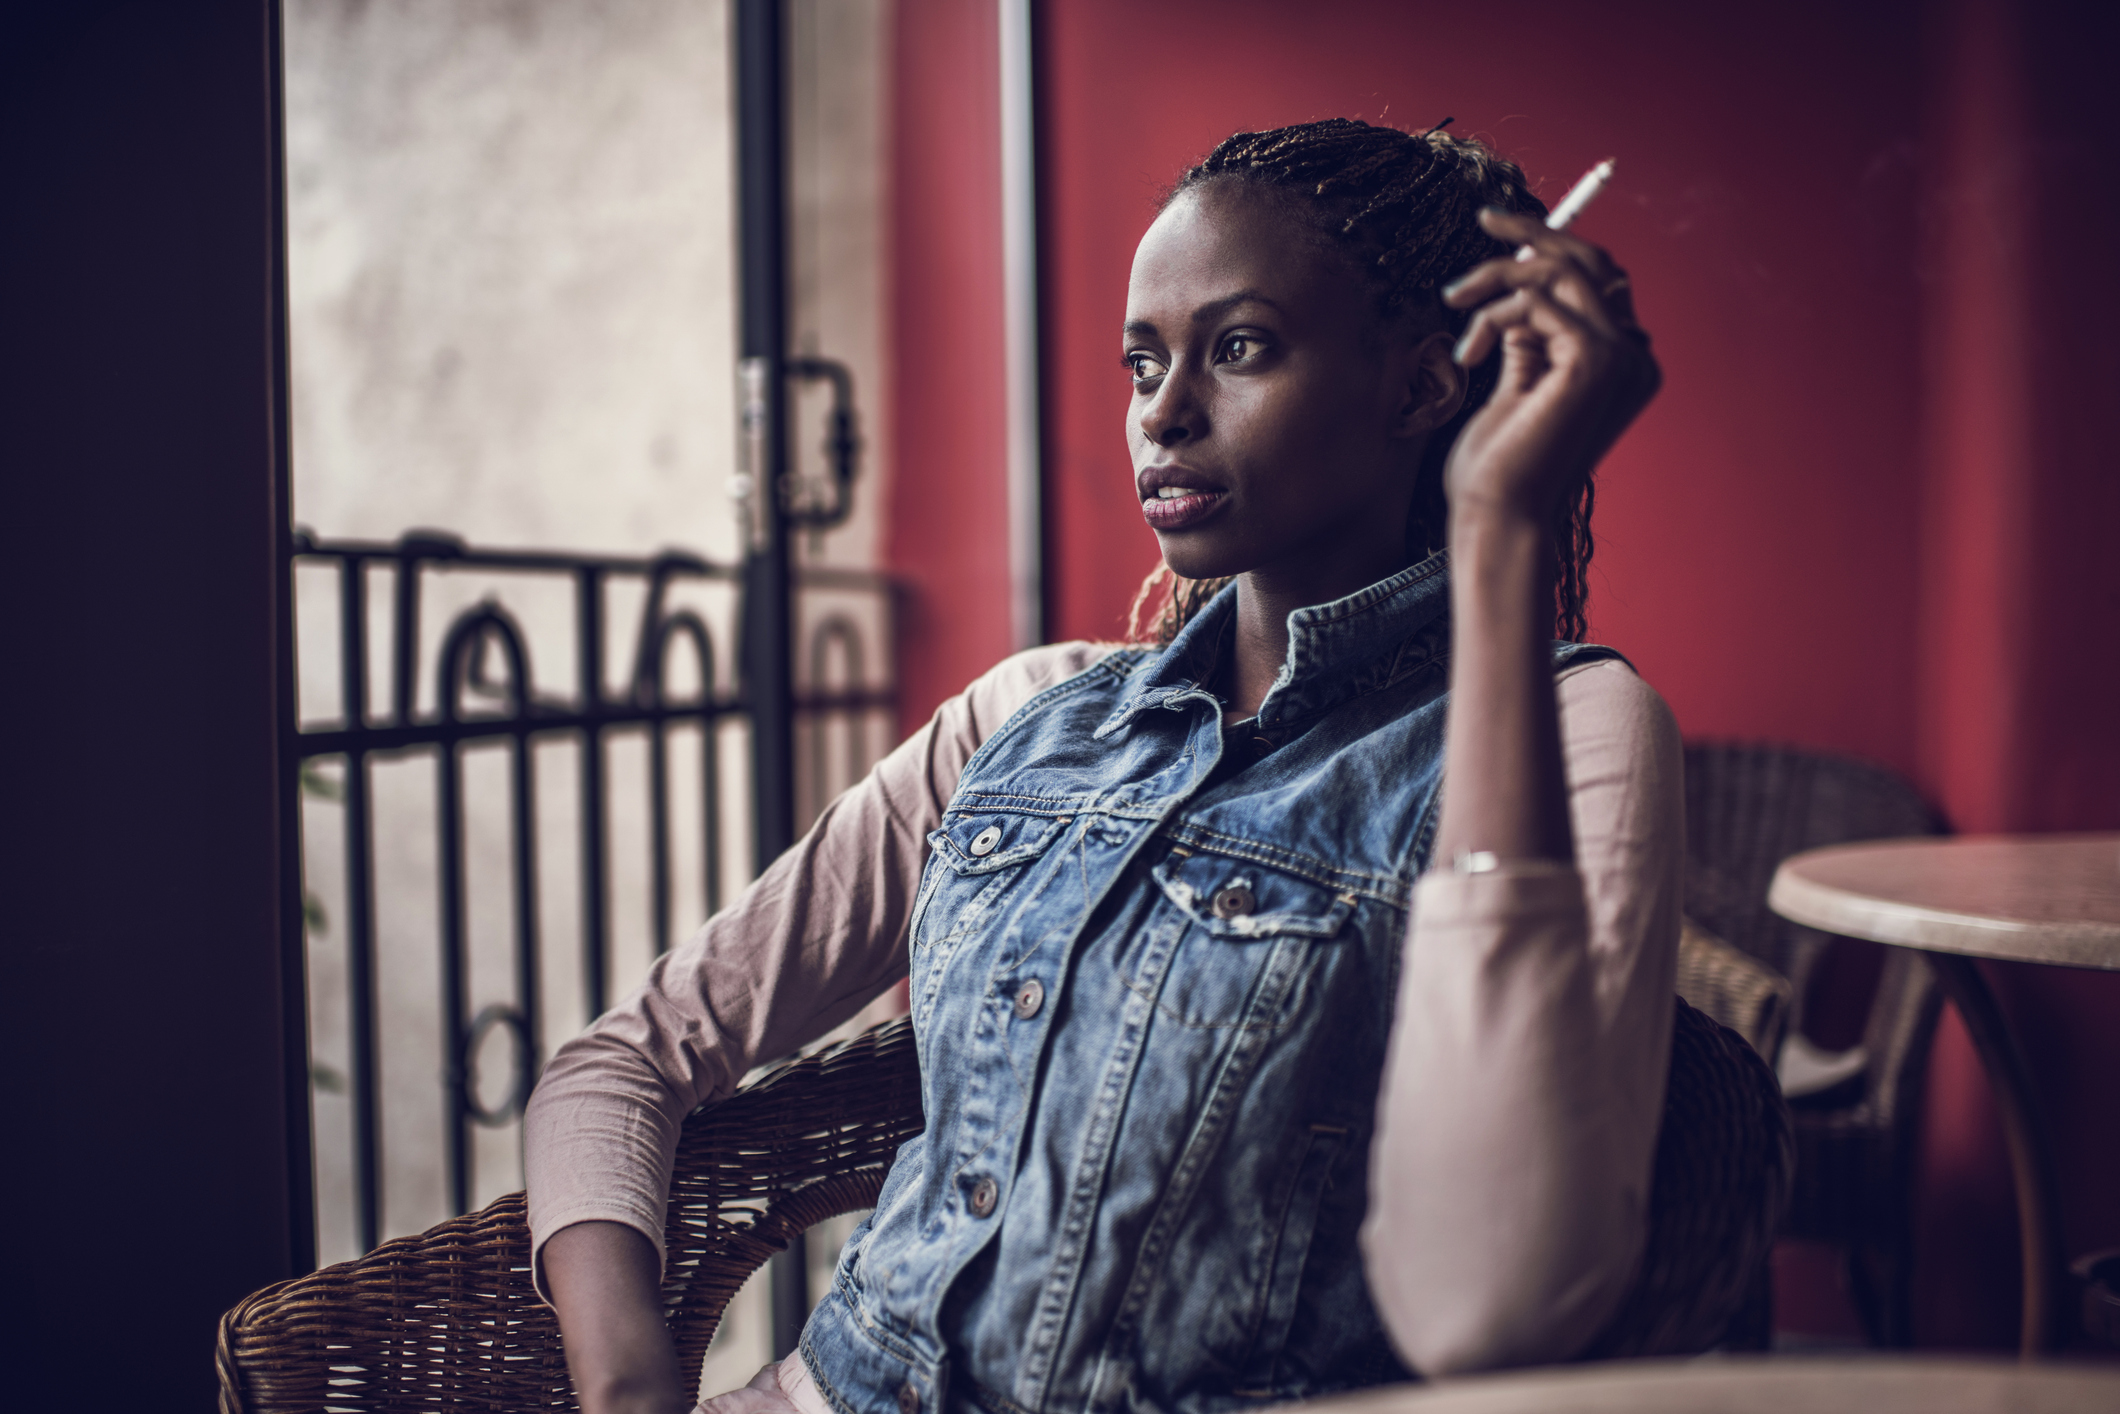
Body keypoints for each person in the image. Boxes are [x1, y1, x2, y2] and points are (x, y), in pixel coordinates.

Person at [528, 117, 1674, 1414]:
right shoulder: (1029, 714)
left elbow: (1498, 1302)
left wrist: (1502, 532)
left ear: (1420, 386)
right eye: (1143, 362)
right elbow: (628, 1055)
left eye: (1239, 348)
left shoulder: (1574, 727)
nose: (1164, 413)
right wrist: (631, 1389)